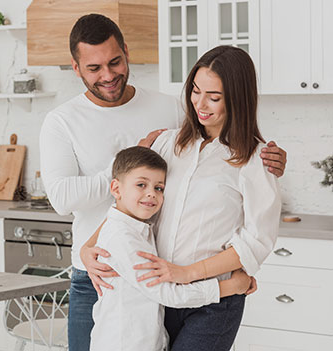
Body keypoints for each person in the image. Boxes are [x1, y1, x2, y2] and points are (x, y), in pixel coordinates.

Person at [39, 14, 286, 351]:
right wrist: (87, 247)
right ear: (76, 68)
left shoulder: (252, 157)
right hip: (153, 288)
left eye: (213, 96)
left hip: (200, 293)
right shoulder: (167, 143)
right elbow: (129, 203)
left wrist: (192, 275)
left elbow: (254, 241)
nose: (200, 104)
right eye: (196, 92)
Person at [90, 146, 253, 351]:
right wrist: (231, 287)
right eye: (141, 185)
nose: (151, 194)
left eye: (159, 188)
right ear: (116, 189)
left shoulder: (139, 227)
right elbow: (166, 293)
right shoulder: (122, 238)